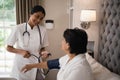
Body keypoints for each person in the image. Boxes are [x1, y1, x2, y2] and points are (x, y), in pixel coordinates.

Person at [21, 28, 94, 80]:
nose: (61, 41)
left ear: (68, 45)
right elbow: (52, 64)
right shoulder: (70, 57)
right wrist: (32, 66)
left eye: (63, 39)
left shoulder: (79, 69)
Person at [6, 5, 49, 80]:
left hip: (36, 64)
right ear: (30, 14)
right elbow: (8, 47)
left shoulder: (43, 30)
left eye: (41, 18)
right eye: (37, 16)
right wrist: (21, 51)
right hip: (22, 64)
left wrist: (43, 53)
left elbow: (42, 48)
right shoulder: (18, 28)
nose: (38, 20)